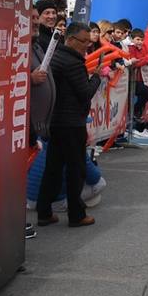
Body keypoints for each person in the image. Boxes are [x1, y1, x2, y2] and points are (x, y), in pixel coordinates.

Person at [37, 21, 102, 228]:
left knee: (53, 169)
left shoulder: (56, 56)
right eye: (84, 42)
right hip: (71, 123)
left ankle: (44, 211)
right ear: (72, 40)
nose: (88, 46)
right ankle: (76, 214)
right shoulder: (73, 62)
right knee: (76, 170)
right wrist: (97, 78)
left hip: (56, 121)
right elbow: (85, 93)